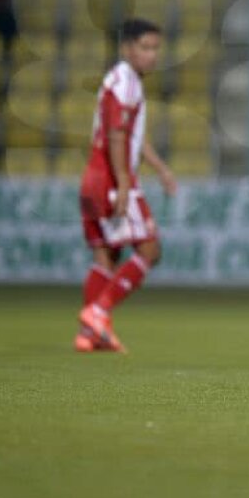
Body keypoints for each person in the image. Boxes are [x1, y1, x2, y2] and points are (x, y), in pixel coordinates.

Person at [76, 18, 177, 352]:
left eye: (155, 48)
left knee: (106, 255)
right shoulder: (126, 82)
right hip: (111, 176)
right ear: (127, 48)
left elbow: (132, 135)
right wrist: (121, 182)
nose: (152, 55)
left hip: (93, 176)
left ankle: (89, 335)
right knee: (150, 249)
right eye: (145, 47)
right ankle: (98, 312)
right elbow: (118, 135)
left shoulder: (119, 80)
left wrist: (161, 169)